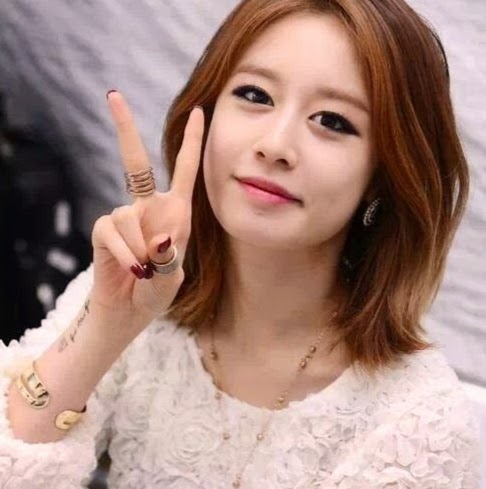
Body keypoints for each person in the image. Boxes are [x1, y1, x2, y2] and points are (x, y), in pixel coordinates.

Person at [0, 0, 481, 487]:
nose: (275, 145)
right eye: (255, 95)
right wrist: (105, 328)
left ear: (383, 176)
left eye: (333, 121)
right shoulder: (136, 294)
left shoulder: (418, 423)